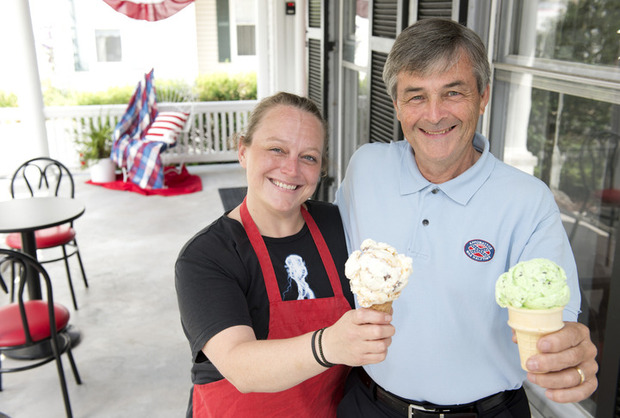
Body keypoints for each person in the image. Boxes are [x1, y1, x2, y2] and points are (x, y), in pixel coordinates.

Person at [335, 18, 599, 417]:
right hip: (369, 403)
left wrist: (567, 353)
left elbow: (556, 327)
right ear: (396, 106)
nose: (435, 114)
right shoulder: (364, 168)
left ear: (483, 96)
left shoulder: (528, 201)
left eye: (452, 92)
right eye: (416, 96)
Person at [175, 92, 395, 417]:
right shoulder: (207, 255)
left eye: (308, 157)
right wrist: (330, 344)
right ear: (243, 151)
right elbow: (240, 366)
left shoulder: (338, 227)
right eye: (276, 149)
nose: (291, 169)